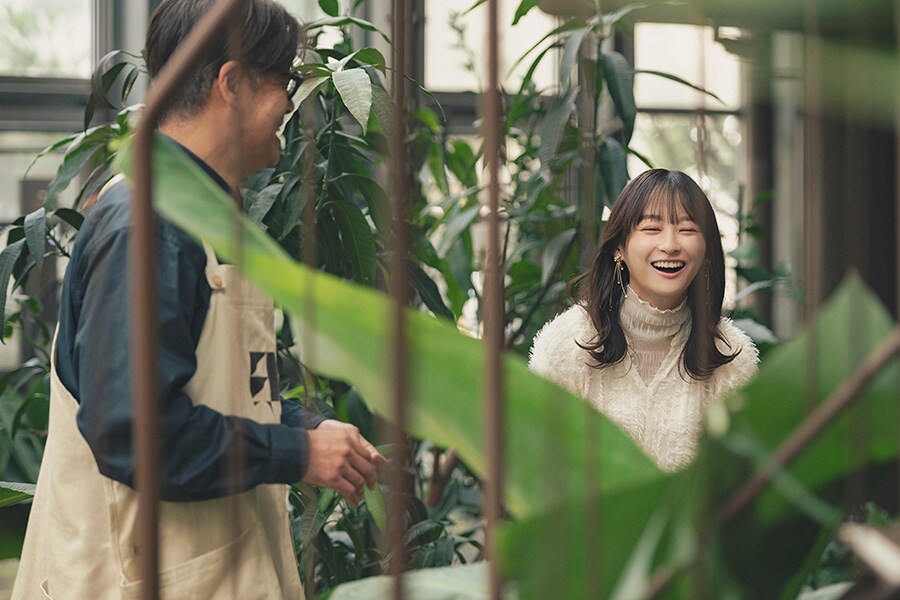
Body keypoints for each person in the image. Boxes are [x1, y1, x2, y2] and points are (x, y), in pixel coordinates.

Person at [12, 0, 386, 598]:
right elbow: (134, 432)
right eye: (284, 82)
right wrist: (295, 452)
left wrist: (308, 430)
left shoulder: (205, 217)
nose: (291, 104)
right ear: (233, 84)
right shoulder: (147, 223)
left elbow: (216, 393)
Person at [529, 169, 759, 472]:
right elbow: (537, 468)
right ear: (619, 248)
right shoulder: (564, 346)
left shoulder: (732, 360)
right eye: (652, 228)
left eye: (688, 229)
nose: (670, 244)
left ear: (706, 251)